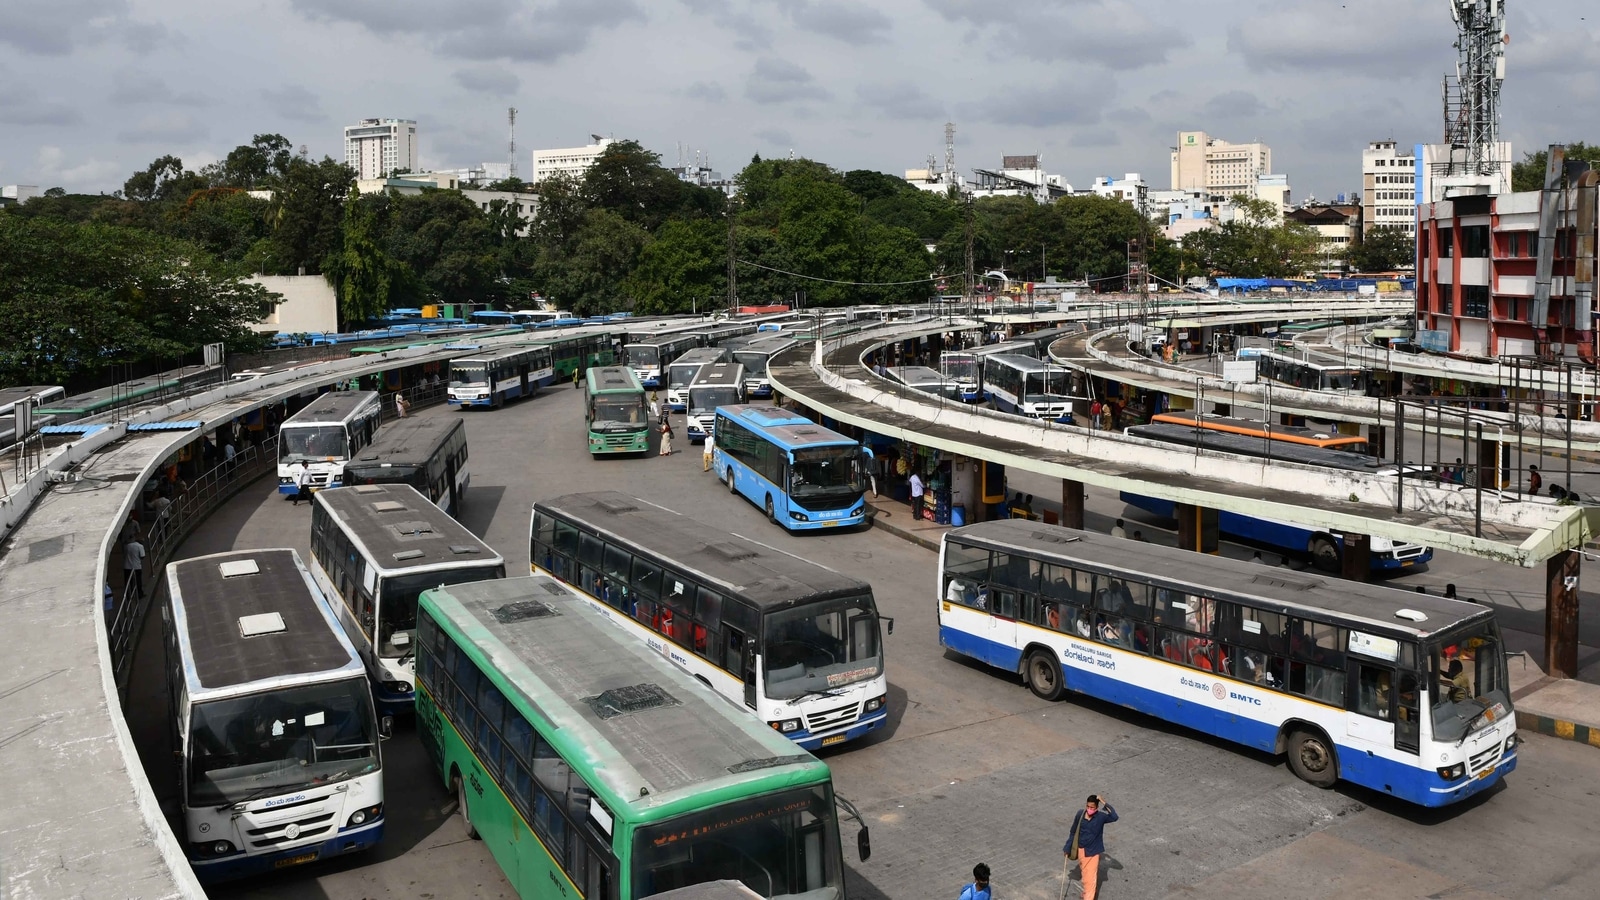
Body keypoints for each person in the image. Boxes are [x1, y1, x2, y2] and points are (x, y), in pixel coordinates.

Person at [1063, 794, 1118, 900]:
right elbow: (1073, 832)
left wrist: (1103, 802)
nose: (1089, 809)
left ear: (1096, 808)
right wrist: (1067, 847)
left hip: (1093, 852)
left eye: (1092, 807)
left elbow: (1114, 817)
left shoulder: (1101, 817)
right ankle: (1087, 892)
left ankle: (1088, 896)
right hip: (1081, 850)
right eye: (1088, 807)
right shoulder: (1080, 814)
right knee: (1085, 875)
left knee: (1090, 879)